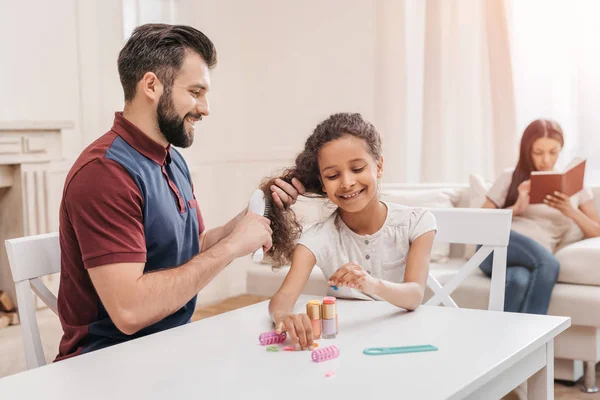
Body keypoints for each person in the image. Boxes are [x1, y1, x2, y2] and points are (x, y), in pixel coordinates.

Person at [56, 23, 305, 360]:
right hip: (108, 361)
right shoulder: (105, 173)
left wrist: (253, 216)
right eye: (195, 92)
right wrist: (233, 246)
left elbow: (191, 249)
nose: (205, 108)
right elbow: (129, 312)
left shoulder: (172, 160)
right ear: (151, 85)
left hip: (169, 346)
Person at [260, 112, 437, 351]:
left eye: (357, 168)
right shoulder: (317, 237)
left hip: (405, 342)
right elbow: (283, 298)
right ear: (323, 183)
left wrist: (371, 284)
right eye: (332, 176)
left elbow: (414, 295)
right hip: (344, 347)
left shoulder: (417, 223)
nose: (346, 183)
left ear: (379, 166)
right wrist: (283, 316)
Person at [480, 119, 600, 314]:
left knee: (519, 280)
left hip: (533, 256)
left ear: (561, 149)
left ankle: (500, 341)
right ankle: (538, 341)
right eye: (538, 152)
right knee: (549, 264)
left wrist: (570, 211)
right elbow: (477, 223)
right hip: (498, 246)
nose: (546, 160)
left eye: (553, 152)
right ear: (527, 151)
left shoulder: (575, 185)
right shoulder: (511, 176)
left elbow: (596, 232)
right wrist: (517, 208)